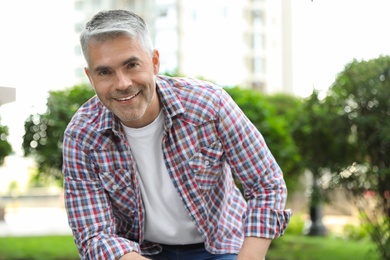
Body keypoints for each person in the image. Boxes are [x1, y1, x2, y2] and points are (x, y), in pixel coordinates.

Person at [62, 9, 292, 260]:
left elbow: (266, 184)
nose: (122, 83)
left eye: (132, 65)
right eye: (105, 72)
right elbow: (94, 234)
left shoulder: (208, 104)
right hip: (138, 251)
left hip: (220, 245)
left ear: (155, 62)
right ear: (90, 77)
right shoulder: (81, 136)